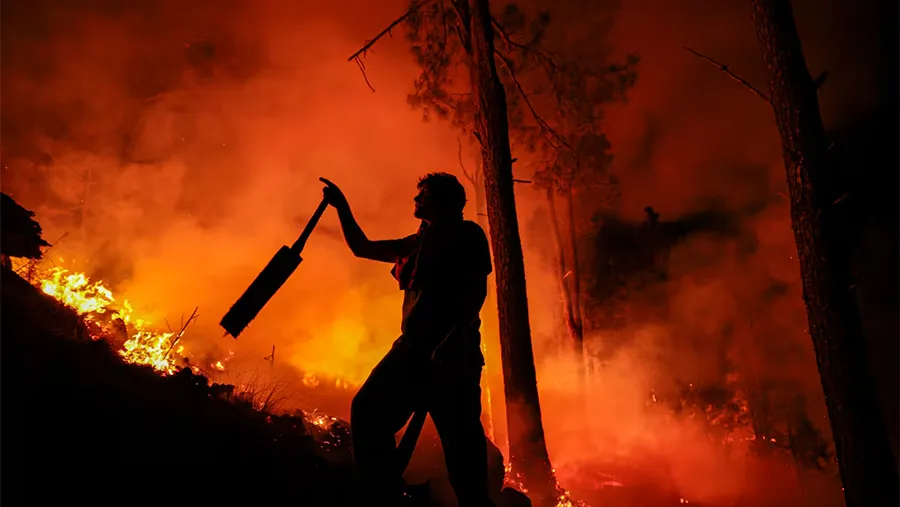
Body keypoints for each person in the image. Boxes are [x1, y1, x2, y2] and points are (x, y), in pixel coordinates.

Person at [320, 173, 495, 507]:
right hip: (412, 352)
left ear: (443, 200)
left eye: (423, 194)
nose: (416, 199)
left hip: (452, 357)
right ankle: (383, 493)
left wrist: (451, 340)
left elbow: (475, 293)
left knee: (462, 453)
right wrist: (341, 206)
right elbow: (362, 248)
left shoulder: (467, 235)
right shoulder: (416, 243)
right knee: (367, 410)